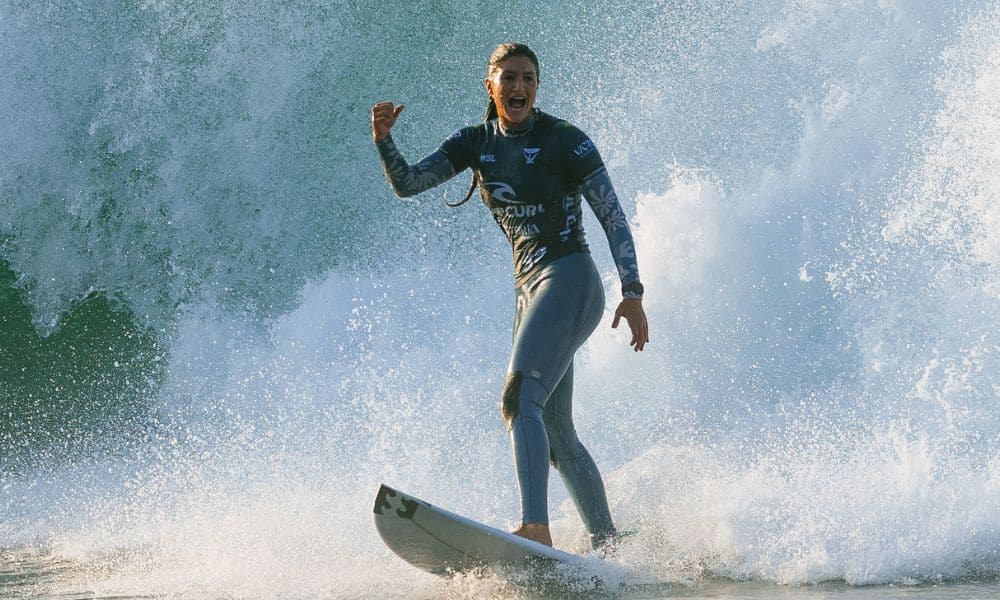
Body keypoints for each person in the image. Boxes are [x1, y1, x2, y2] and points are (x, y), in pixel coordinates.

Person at [371, 42, 648, 550]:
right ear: (490, 85)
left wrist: (631, 290)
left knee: (520, 399)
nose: (518, 87)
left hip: (570, 280)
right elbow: (410, 183)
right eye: (509, 78)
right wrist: (386, 142)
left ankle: (536, 529)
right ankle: (609, 546)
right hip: (529, 291)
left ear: (536, 86)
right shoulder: (474, 142)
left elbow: (611, 214)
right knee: (558, 436)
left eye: (528, 78)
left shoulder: (566, 140)